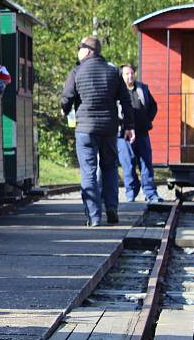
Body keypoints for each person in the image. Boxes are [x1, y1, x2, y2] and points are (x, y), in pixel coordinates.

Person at [61, 36, 135, 227]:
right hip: (109, 128)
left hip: (85, 129)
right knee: (110, 168)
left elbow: (67, 98)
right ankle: (111, 209)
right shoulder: (113, 72)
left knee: (88, 172)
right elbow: (126, 101)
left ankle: (94, 217)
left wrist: (65, 109)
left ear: (87, 51)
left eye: (80, 48)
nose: (78, 51)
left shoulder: (76, 71)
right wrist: (129, 126)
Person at [117, 63, 162, 203]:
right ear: (121, 75)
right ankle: (131, 192)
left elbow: (153, 106)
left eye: (132, 73)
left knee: (146, 163)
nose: (130, 76)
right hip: (124, 135)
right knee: (128, 165)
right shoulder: (117, 90)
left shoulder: (142, 88)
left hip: (142, 133)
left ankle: (150, 193)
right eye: (126, 74)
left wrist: (147, 120)